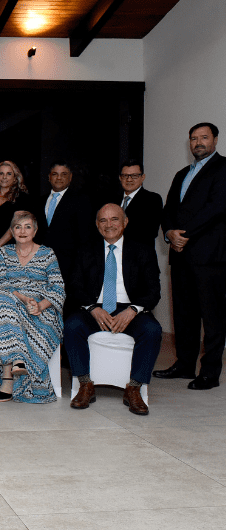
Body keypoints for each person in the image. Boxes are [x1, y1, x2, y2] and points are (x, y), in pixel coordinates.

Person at [65, 204, 162, 414]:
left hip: (130, 309)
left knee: (152, 330)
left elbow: (153, 291)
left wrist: (133, 310)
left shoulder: (143, 251)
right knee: (72, 325)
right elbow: (74, 287)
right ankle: (85, 384)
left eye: (114, 219)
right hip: (95, 307)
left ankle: (134, 388)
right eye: (103, 220)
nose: (109, 225)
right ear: (96, 224)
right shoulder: (85, 250)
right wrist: (93, 308)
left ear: (125, 222)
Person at [154, 122, 226, 390]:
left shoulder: (223, 168)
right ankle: (184, 365)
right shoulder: (182, 173)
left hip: (209, 257)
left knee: (212, 318)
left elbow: (216, 207)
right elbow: (168, 209)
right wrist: (169, 233)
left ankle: (209, 373)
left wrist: (183, 234)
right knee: (184, 315)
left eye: (204, 137)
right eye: (194, 139)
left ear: (215, 140)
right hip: (180, 255)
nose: (198, 143)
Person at [0, 211, 64, 404]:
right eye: (18, 227)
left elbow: (58, 288)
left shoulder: (47, 253)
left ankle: (7, 380)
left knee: (0, 308)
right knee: (1, 298)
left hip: (41, 311)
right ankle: (17, 360)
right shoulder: (4, 253)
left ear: (35, 230)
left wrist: (40, 305)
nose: (22, 231)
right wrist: (23, 298)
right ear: (12, 231)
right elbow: (0, 283)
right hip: (13, 301)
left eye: (27, 227)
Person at [35, 161, 94, 302]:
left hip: (68, 267)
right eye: (55, 174)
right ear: (49, 177)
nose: (59, 178)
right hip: (40, 265)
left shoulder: (81, 200)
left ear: (70, 177)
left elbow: (85, 236)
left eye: (64, 174)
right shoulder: (39, 201)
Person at [0, 160, 33, 311]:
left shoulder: (22, 198)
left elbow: (16, 225)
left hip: (12, 256)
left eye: (9, 174)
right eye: (1, 173)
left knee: (10, 301)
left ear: (15, 177)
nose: (4, 177)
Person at [112, 159, 163, 246]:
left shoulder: (152, 199)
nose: (129, 179)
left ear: (142, 177)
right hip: (113, 252)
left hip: (138, 252)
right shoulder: (112, 200)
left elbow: (149, 232)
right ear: (120, 178)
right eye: (125, 176)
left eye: (134, 176)